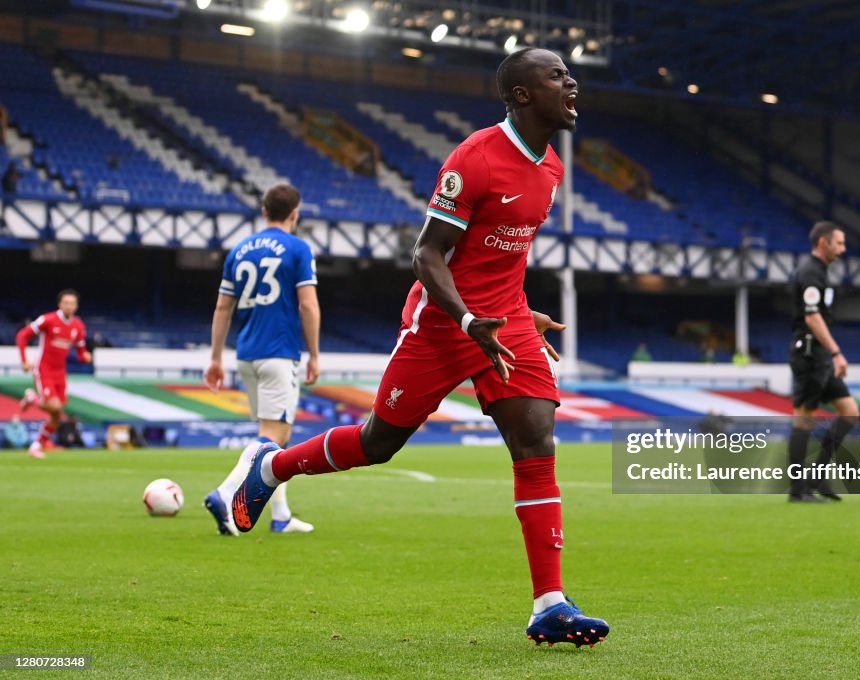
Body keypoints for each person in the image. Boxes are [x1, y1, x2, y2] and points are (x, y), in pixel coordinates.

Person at [230, 48, 609, 646]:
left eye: (569, 73)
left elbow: (502, 257)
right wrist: (464, 320)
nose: (572, 82)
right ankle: (271, 468)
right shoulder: (476, 158)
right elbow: (427, 254)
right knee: (380, 442)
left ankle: (550, 604)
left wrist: (519, 310)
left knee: (536, 441)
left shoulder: (552, 170)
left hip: (505, 321)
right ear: (522, 95)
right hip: (441, 323)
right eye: (556, 75)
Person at [203, 183, 321, 536]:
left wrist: (214, 358)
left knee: (274, 441)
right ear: (294, 213)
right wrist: (314, 353)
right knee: (274, 434)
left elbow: (223, 306)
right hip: (279, 353)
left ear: (264, 210)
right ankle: (224, 494)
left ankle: (281, 516)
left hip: (247, 353)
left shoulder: (239, 250)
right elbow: (308, 304)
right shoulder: (298, 248)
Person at [787, 221, 860, 503]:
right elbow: (812, 317)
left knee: (850, 412)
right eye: (839, 243)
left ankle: (817, 475)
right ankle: (797, 490)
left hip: (820, 357)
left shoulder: (821, 272)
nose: (843, 249)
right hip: (809, 355)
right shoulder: (809, 272)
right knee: (804, 419)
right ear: (823, 242)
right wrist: (836, 352)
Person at [15, 289, 92, 459]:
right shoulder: (47, 320)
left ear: (77, 306)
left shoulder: (78, 326)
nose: (69, 306)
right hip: (44, 369)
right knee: (55, 406)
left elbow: (81, 352)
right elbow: (22, 335)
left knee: (57, 414)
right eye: (66, 303)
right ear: (59, 304)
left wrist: (85, 356)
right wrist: (23, 360)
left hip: (60, 372)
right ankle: (32, 398)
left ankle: (36, 446)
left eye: (72, 303)